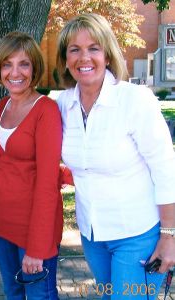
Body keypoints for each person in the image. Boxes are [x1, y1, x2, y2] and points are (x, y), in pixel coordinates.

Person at [56, 13, 175, 299]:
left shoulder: (134, 100)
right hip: (92, 235)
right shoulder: (63, 104)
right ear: (66, 59)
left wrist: (170, 236)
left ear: (107, 55)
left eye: (93, 48)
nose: (84, 57)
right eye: (75, 49)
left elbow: (165, 169)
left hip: (137, 235)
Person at [0, 32, 63, 299]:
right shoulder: (2, 105)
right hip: (1, 225)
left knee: (39, 295)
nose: (15, 72)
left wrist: (38, 247)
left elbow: (47, 184)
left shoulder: (46, 111)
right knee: (13, 293)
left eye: (24, 64)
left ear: (34, 68)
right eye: (7, 64)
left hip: (33, 230)